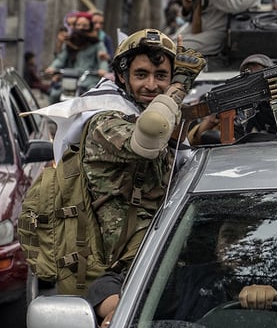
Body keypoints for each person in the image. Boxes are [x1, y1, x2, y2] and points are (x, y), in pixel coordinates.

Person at [35, 28, 206, 281]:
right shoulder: (105, 120)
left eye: (161, 76)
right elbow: (149, 135)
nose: (151, 85)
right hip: (116, 269)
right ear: (123, 77)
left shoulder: (149, 112)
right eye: (141, 75)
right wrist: (178, 87)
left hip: (154, 252)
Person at [86, 219, 277, 328]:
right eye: (230, 236)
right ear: (218, 246)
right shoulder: (187, 280)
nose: (239, 246)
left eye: (250, 238)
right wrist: (125, 308)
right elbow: (107, 284)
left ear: (264, 246)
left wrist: (274, 298)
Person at [187, 54, 277, 145]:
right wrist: (211, 121)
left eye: (258, 76)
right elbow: (196, 140)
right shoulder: (236, 105)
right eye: (247, 76)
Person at [45, 11, 110, 103]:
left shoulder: (97, 44)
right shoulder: (69, 43)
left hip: (89, 79)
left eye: (84, 26)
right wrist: (52, 67)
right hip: (70, 79)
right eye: (78, 25)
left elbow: (102, 60)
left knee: (92, 98)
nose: (81, 28)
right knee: (55, 94)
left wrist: (103, 70)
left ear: (90, 27)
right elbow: (60, 59)